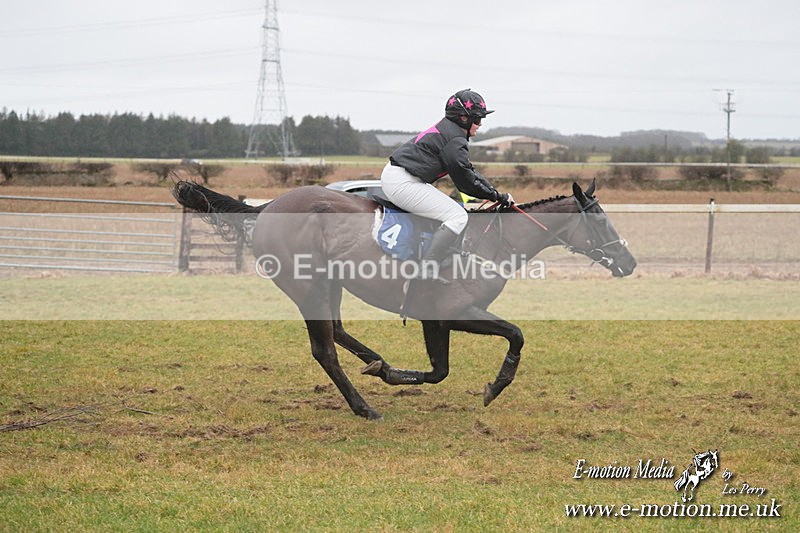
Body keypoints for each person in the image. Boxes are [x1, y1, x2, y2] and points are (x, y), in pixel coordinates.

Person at [380, 88, 513, 283]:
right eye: (476, 119)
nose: (480, 124)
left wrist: (496, 194)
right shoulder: (454, 140)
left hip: (401, 177)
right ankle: (428, 267)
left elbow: (469, 170)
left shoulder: (450, 132)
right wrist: (496, 196)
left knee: (451, 211)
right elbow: (466, 180)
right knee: (457, 216)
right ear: (463, 119)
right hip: (403, 181)